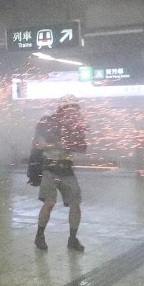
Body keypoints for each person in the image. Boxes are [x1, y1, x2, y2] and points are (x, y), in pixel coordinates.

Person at [33, 95, 87, 252]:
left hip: (66, 169)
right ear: (62, 109)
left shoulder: (75, 126)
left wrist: (74, 144)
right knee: (49, 202)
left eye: (75, 109)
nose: (73, 112)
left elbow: (82, 147)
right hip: (50, 168)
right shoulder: (47, 123)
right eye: (70, 109)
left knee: (75, 204)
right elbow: (39, 144)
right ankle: (39, 235)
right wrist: (58, 144)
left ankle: (72, 238)